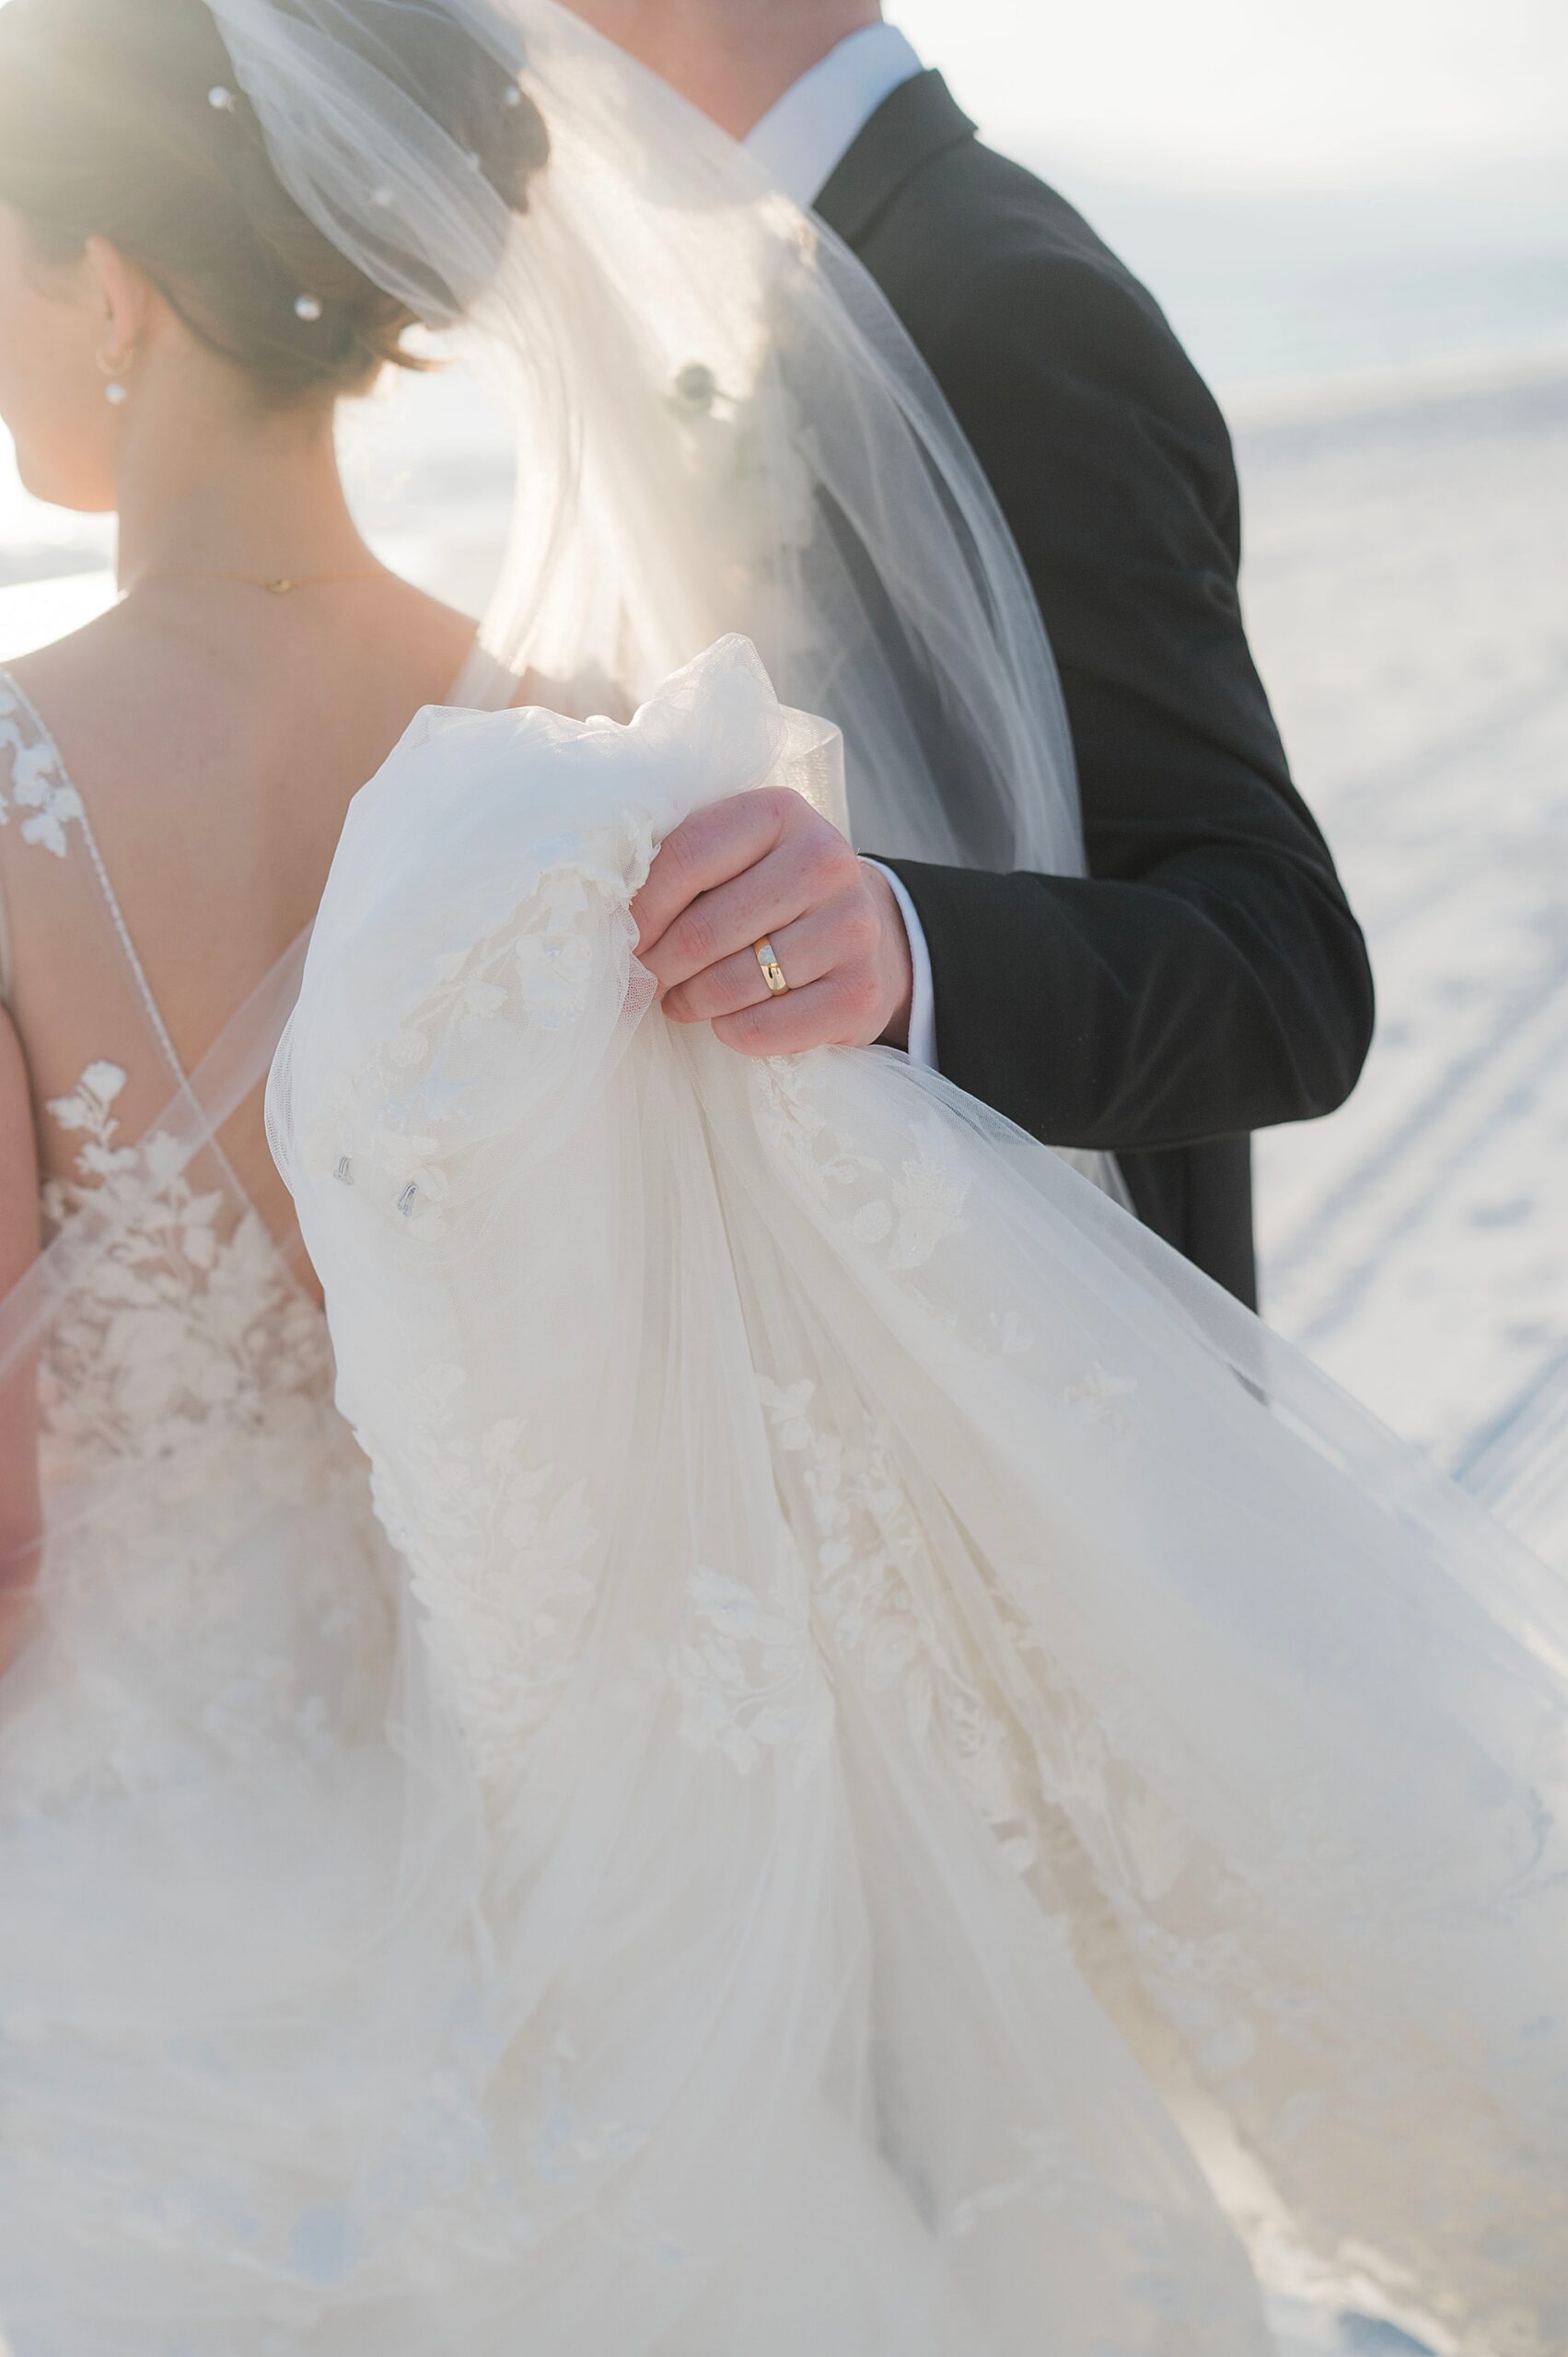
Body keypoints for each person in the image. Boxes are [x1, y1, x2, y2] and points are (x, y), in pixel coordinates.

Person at [0, 3, 1562, 2351]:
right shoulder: (554, 738)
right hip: (543, 1872)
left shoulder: (32, 773)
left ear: (114, 288)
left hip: (152, 1880)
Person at [572, 0, 1376, 1306]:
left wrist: (901, 947)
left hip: (1072, 1381)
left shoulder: (1011, 305)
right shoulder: (821, 276)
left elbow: (1288, 974)